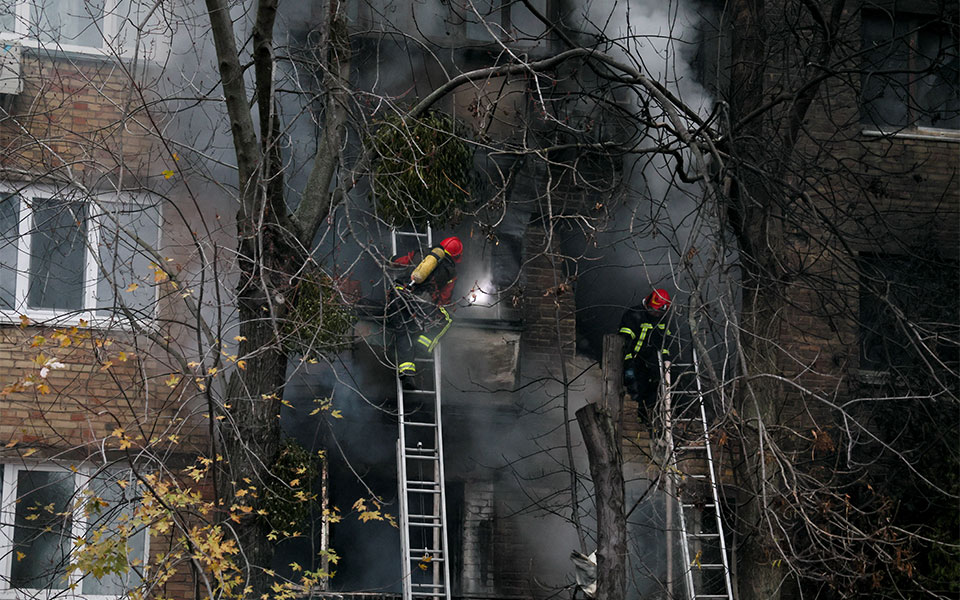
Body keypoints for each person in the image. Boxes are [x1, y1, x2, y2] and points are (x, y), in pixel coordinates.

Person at [389, 236, 462, 385]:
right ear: (456, 256)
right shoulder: (451, 272)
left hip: (398, 294)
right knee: (448, 319)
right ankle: (422, 346)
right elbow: (444, 299)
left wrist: (390, 259)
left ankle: (407, 370)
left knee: (402, 329)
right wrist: (434, 313)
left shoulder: (421, 253)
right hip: (420, 302)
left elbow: (398, 262)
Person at [618, 288, 673, 423]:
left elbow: (664, 343)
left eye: (658, 312)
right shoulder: (634, 314)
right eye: (652, 310)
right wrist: (627, 360)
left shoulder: (663, 321)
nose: (654, 314)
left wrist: (665, 362)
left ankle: (645, 420)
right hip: (632, 358)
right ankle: (633, 418)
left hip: (649, 362)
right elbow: (624, 339)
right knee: (633, 387)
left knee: (652, 390)